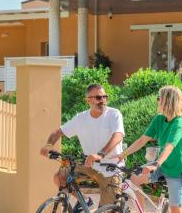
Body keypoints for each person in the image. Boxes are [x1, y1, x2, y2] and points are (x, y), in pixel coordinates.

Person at [40, 83, 125, 212]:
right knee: (60, 177)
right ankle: (85, 201)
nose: (102, 100)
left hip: (111, 168)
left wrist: (100, 154)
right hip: (89, 164)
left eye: (104, 97)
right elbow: (59, 131)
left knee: (107, 210)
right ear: (88, 100)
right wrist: (48, 145)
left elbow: (118, 136)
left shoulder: (114, 114)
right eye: (98, 98)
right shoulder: (81, 118)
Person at [115, 85, 182, 213]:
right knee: (134, 179)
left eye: (159, 98)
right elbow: (142, 140)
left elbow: (169, 146)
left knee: (175, 209)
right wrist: (122, 155)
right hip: (162, 165)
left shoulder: (180, 123)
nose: (157, 101)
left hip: (177, 170)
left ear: (168, 101)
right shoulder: (159, 119)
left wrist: (156, 164)